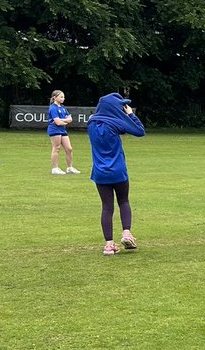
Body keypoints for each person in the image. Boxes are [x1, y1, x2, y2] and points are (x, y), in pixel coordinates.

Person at [87, 93, 145, 256]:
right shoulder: (116, 123)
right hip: (118, 170)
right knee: (123, 201)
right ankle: (126, 233)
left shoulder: (91, 123)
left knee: (107, 207)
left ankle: (108, 245)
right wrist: (130, 115)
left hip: (100, 172)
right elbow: (139, 131)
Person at [47, 90, 80, 175]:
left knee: (69, 149)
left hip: (62, 130)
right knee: (56, 148)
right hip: (54, 129)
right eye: (61, 97)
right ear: (55, 97)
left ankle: (70, 168)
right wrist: (65, 121)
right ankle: (55, 169)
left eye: (64, 97)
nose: (63, 98)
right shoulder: (53, 108)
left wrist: (62, 120)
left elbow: (70, 119)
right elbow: (58, 122)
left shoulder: (63, 107)